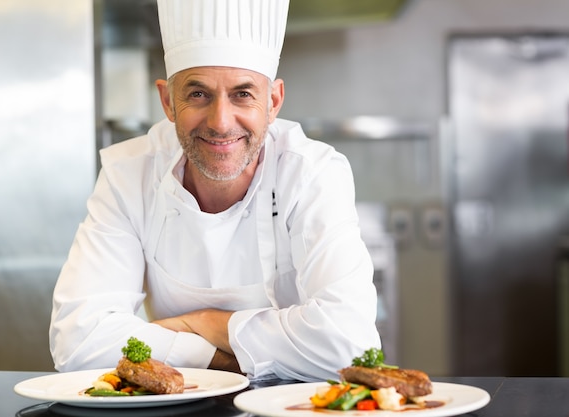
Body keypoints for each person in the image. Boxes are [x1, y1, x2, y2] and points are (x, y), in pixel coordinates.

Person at [49, 0, 381, 382]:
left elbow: (349, 345)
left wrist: (200, 322)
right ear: (167, 101)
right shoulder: (130, 174)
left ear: (272, 102)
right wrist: (220, 358)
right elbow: (76, 341)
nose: (221, 122)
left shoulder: (311, 173)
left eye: (242, 94)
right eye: (198, 94)